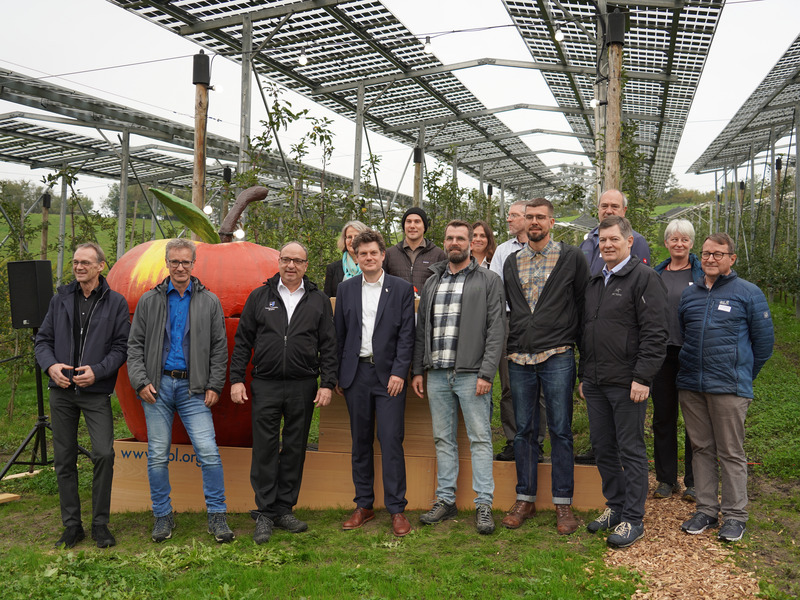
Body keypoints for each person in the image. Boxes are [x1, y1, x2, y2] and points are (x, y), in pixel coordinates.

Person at [229, 241, 338, 544]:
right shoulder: (260, 297)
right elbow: (242, 342)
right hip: (265, 383)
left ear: (306, 265)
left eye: (297, 261)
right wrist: (236, 379)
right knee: (264, 447)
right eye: (286, 260)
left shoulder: (317, 300)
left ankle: (284, 508)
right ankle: (264, 512)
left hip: (303, 384)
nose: (291, 266)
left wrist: (327, 383)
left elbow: (329, 345)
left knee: (294, 447)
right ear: (278, 262)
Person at [127, 238, 234, 544]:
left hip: (194, 389)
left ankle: (217, 515)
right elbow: (134, 346)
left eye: (186, 262)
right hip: (157, 388)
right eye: (174, 262)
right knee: (157, 456)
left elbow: (219, 348)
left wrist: (215, 385)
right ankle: (162, 515)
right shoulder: (150, 300)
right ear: (167, 263)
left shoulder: (208, 301)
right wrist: (139, 380)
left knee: (209, 454)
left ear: (193, 264)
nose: (180, 267)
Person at [678, 233, 773, 543]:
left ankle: (735, 515)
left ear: (732, 259)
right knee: (701, 448)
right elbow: (683, 334)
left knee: (731, 452)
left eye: (718, 254)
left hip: (729, 388)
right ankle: (706, 509)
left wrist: (742, 374)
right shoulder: (690, 295)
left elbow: (764, 344)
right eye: (706, 253)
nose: (710, 259)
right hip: (692, 385)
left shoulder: (748, 293)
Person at [502, 199, 589, 535]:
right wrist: (512, 345)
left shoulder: (571, 258)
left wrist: (583, 356)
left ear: (552, 222)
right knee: (524, 430)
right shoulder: (511, 262)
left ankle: (562, 502)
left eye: (540, 217)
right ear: (523, 222)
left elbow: (582, 306)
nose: (534, 222)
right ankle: (524, 498)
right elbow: (511, 310)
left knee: (560, 430)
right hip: (520, 358)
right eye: (530, 217)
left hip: (558, 355)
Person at [412, 220, 505, 535]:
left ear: (471, 243)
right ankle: (446, 500)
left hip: (471, 374)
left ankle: (483, 505)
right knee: (443, 439)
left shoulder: (489, 280)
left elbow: (496, 330)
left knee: (480, 439)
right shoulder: (432, 282)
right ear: (445, 242)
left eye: (460, 238)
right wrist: (418, 369)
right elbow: (421, 329)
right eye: (449, 238)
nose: (455, 243)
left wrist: (487, 372)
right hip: (437, 374)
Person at [580, 216, 668, 549]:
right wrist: (584, 376)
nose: (607, 245)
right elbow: (587, 331)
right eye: (603, 240)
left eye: (614, 239)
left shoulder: (644, 278)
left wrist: (643, 377)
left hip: (628, 382)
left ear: (629, 242)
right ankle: (615, 506)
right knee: (603, 448)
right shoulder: (594, 280)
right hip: (597, 381)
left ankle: (633, 517)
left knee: (630, 450)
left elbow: (656, 333)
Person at [35, 242, 129, 549]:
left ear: (101, 265)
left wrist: (98, 371)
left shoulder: (115, 302)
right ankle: (72, 525)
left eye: (86, 262)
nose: (79, 267)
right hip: (61, 391)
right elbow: (43, 341)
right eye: (76, 262)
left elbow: (121, 347)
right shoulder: (60, 299)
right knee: (64, 459)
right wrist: (50, 367)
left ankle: (100, 523)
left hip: (94, 390)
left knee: (103, 453)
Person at [335, 230, 416, 537]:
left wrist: (399, 372)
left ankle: (397, 509)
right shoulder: (346, 289)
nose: (368, 257)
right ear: (356, 257)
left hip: (389, 377)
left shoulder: (400, 289)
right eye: (362, 253)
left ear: (383, 255)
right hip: (356, 376)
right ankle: (364, 505)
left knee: (391, 440)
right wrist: (340, 374)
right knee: (360, 442)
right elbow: (339, 336)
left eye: (373, 253)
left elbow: (408, 334)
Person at [576, 188, 652, 465]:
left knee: (628, 444)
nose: (608, 210)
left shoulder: (638, 247)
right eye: (603, 206)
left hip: (623, 364)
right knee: (603, 437)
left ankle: (629, 506)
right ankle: (614, 494)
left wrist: (642, 375)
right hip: (597, 360)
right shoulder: (587, 242)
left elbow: (647, 319)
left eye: (614, 206)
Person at [652, 219, 703, 502]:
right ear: (666, 243)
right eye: (674, 239)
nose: (679, 244)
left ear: (691, 243)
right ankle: (666, 478)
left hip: (692, 352)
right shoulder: (656, 273)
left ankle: (694, 482)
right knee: (663, 417)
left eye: (684, 239)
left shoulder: (701, 273)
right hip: (662, 354)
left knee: (694, 418)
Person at [383, 207, 446, 293]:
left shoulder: (438, 254)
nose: (412, 226)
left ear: (424, 226)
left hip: (426, 306)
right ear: (404, 226)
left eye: (417, 222)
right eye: (408, 221)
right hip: (397, 306)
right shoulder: (390, 254)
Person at [324, 220, 369, 298]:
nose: (352, 240)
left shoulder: (372, 266)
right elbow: (327, 300)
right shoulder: (333, 268)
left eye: (357, 236)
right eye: (349, 237)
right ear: (344, 240)